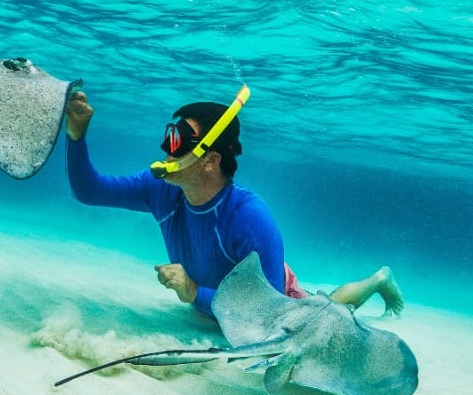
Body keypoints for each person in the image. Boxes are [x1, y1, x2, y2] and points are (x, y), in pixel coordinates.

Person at [64, 88, 404, 318]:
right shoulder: (161, 190)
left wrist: (195, 291)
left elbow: (266, 312)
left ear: (210, 160)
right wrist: (76, 134)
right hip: (224, 309)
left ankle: (377, 279)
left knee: (329, 308)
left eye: (178, 141)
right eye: (170, 134)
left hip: (275, 305)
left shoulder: (249, 217)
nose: (166, 148)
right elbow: (90, 190)